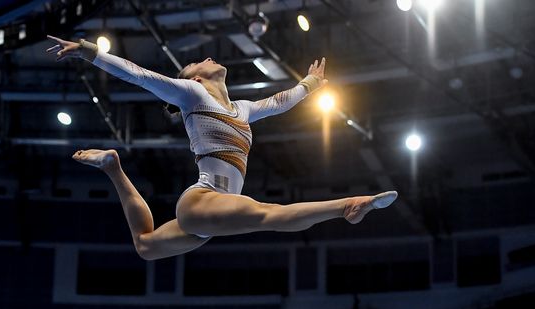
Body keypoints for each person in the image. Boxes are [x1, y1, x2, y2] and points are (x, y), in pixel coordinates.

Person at [46, 35, 398, 260]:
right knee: (268, 215)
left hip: (206, 213)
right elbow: (139, 75)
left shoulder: (241, 109)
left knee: (145, 245)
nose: (210, 57)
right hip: (204, 200)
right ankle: (349, 205)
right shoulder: (191, 94)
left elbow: (278, 102)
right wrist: (89, 52)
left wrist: (309, 84)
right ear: (195, 77)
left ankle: (112, 167)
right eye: (200, 61)